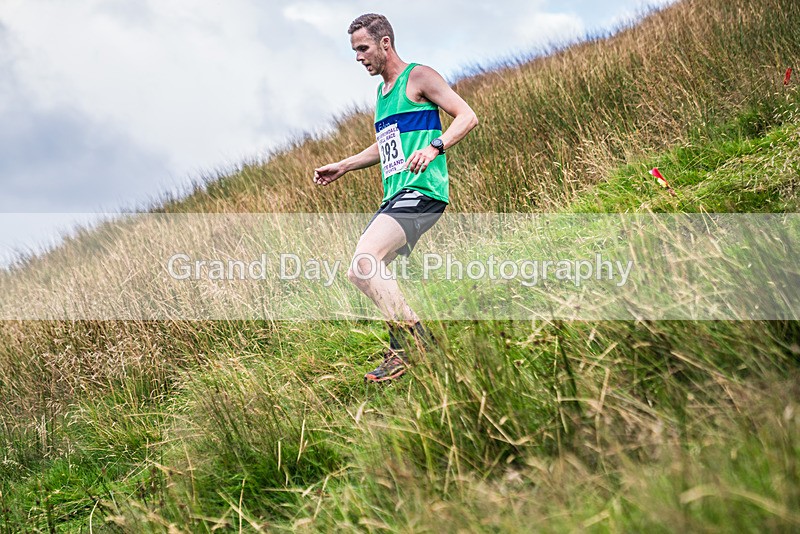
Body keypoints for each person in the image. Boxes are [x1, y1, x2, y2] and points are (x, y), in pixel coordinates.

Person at [313, 13, 478, 383]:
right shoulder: (382, 94)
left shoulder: (419, 77)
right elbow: (387, 145)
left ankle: (413, 345)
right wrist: (345, 165)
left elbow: (467, 116)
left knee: (365, 259)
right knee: (361, 273)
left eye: (363, 48)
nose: (358, 57)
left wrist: (435, 147)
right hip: (396, 195)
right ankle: (409, 345)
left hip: (422, 190)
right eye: (355, 51)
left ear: (385, 43)